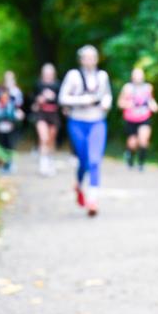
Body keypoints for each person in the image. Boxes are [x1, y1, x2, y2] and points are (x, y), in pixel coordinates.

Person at [59, 44, 112, 216]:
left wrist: (106, 103)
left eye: (93, 57)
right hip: (77, 122)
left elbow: (107, 95)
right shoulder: (73, 76)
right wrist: (83, 100)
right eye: (86, 57)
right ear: (81, 59)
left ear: (97, 59)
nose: (90, 60)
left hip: (97, 122)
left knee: (95, 161)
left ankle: (92, 200)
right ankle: (79, 183)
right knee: (84, 160)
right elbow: (63, 97)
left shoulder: (102, 76)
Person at [117, 66, 158, 171]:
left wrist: (154, 105)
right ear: (132, 76)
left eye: (140, 75)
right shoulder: (127, 88)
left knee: (143, 141)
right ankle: (129, 156)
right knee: (132, 143)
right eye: (136, 75)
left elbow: (150, 100)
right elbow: (120, 103)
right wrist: (127, 104)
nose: (138, 77)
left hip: (144, 118)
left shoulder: (148, 87)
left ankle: (141, 163)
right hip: (131, 119)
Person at [0, 73, 24, 174]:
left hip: (11, 122)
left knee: (9, 144)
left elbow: (19, 106)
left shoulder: (16, 92)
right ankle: (0, 162)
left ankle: (8, 163)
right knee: (0, 144)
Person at [31, 63, 61, 176]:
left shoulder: (57, 85)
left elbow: (62, 101)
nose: (48, 75)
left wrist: (54, 97)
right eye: (46, 73)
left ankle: (50, 161)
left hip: (53, 114)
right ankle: (43, 164)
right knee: (44, 137)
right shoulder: (38, 84)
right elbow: (32, 99)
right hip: (41, 113)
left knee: (51, 140)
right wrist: (40, 99)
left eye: (50, 73)